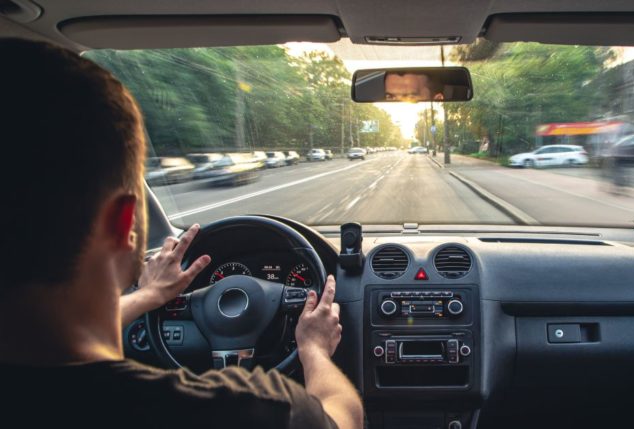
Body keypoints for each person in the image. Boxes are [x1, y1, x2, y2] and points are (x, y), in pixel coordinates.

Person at [0, 38, 363, 428]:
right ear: (124, 224)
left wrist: (149, 297)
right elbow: (343, 417)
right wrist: (313, 349)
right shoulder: (244, 412)